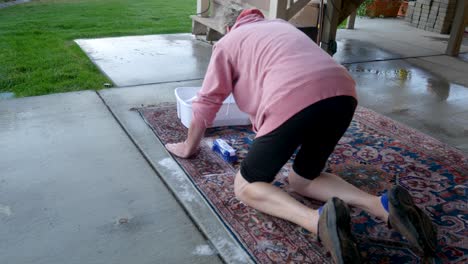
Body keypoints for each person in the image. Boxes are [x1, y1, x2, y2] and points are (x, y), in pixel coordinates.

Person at [166, 7, 437, 263]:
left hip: (293, 97)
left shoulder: (228, 42)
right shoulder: (280, 25)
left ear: (229, 27)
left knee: (246, 185)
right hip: (343, 92)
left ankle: (316, 221)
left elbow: (208, 100)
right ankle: (383, 206)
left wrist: (189, 146)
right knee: (303, 179)